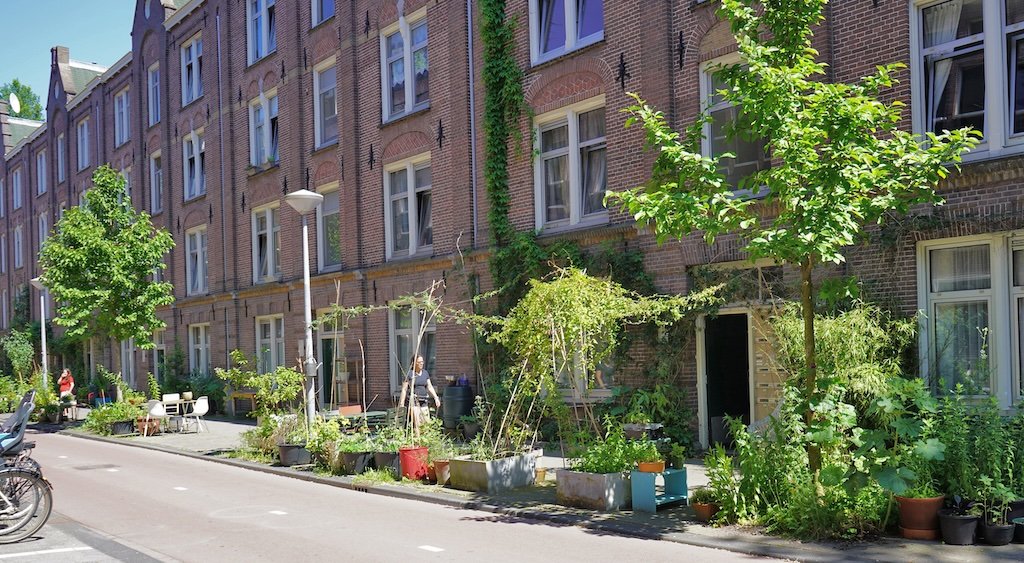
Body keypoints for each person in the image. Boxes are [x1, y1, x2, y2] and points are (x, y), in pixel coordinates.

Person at [398, 355, 441, 435]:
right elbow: (404, 389)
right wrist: (401, 404)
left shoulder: (425, 373)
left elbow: (429, 386)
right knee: (418, 424)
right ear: (414, 363)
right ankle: (418, 439)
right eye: (419, 362)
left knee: (426, 423)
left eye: (422, 362)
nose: (421, 363)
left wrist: (436, 397)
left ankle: (426, 440)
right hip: (413, 402)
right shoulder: (410, 374)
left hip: (424, 401)